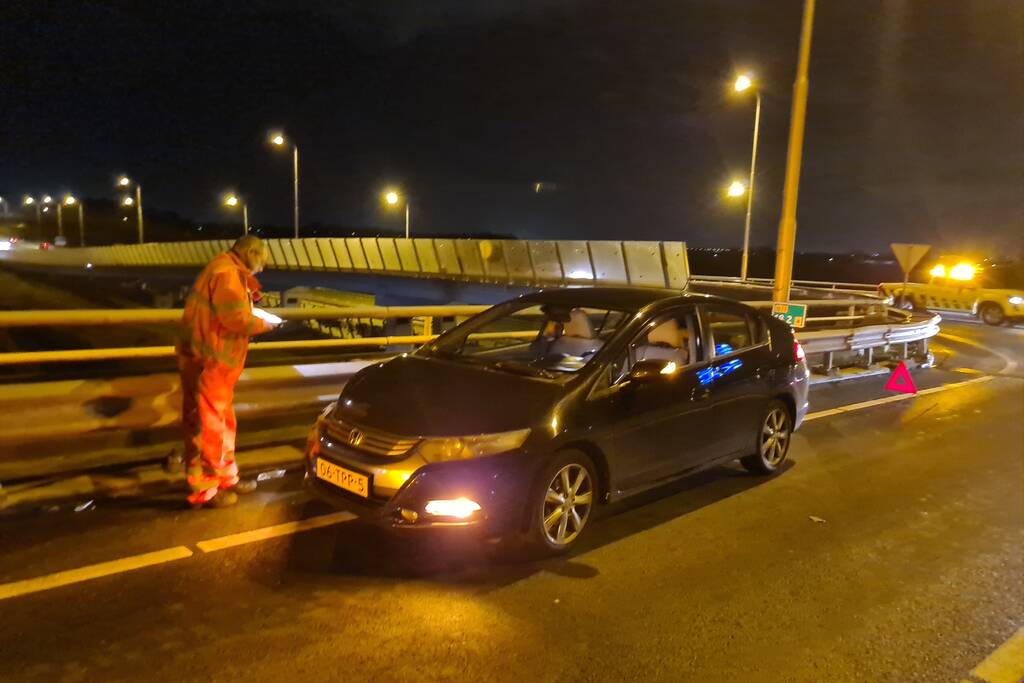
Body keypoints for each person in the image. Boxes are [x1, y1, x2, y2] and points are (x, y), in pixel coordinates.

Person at [176, 235, 277, 508]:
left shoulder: (226, 269)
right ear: (251, 252)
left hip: (213, 363)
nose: (262, 268)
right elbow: (235, 318)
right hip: (209, 363)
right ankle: (206, 489)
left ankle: (225, 477)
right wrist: (265, 325)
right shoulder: (227, 273)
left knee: (221, 424)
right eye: (262, 260)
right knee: (208, 427)